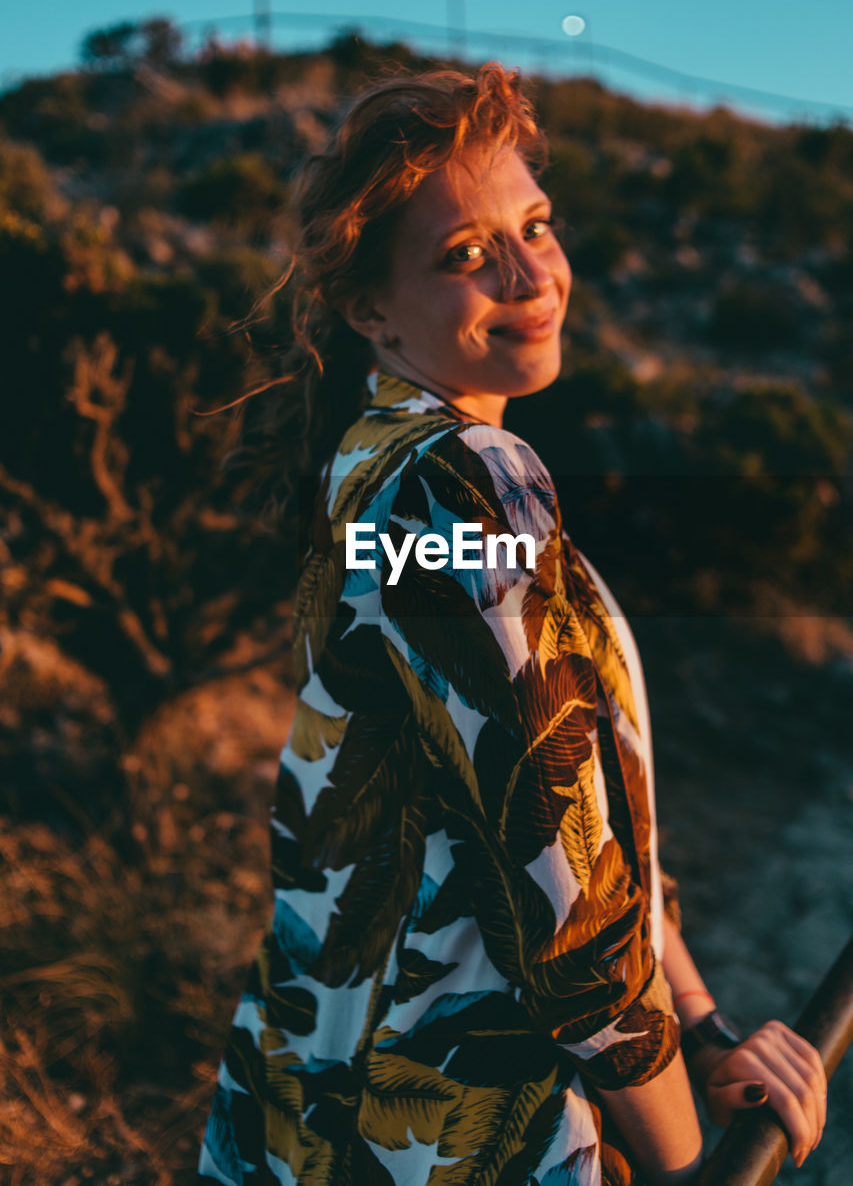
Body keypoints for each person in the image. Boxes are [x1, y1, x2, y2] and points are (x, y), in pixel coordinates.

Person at [198, 63, 826, 1186]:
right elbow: (563, 883)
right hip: (452, 1134)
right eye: (465, 253)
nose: (530, 273)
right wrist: (686, 1161)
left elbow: (568, 804)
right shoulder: (457, 489)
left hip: (323, 1106)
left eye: (534, 225)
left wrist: (697, 1021)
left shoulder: (378, 474)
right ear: (368, 308)